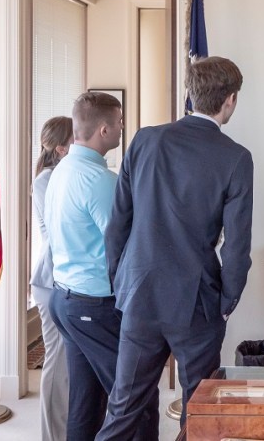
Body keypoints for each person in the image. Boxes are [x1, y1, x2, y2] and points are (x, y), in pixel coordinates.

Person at [96, 56, 253, 440]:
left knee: (123, 408)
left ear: (190, 94)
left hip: (140, 293)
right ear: (230, 100)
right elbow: (236, 246)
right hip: (197, 302)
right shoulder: (236, 158)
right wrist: (227, 301)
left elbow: (118, 223)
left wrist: (120, 281)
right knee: (200, 414)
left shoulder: (144, 139)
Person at [45, 92, 124, 441]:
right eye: (120, 123)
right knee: (131, 396)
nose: (123, 128)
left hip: (64, 299)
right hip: (92, 304)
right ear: (104, 130)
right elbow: (121, 243)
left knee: (86, 401)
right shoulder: (99, 182)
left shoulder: (60, 171)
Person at [30, 116, 73, 441]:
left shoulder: (64, 175)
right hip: (51, 282)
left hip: (67, 282)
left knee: (69, 368)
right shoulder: (46, 181)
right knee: (57, 365)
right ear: (61, 147)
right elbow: (60, 233)